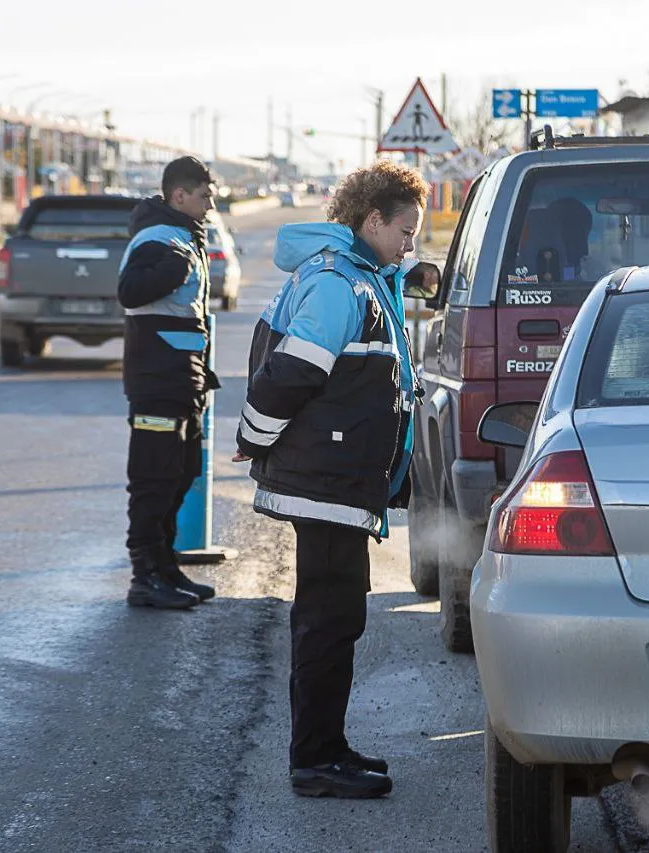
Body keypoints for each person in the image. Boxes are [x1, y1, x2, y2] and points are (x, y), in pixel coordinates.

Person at [234, 161, 435, 799]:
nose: (410, 243)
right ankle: (315, 760)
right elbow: (291, 373)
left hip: (336, 481)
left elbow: (382, 295)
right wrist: (252, 438)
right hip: (322, 483)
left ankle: (326, 747)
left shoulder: (362, 273)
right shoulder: (335, 285)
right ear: (370, 220)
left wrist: (415, 272)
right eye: (405, 231)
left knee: (336, 618)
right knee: (327, 621)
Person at [117, 156, 221, 610]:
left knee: (181, 473)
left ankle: (165, 565)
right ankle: (145, 577)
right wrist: (169, 270)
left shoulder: (182, 235)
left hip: (183, 379)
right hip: (156, 379)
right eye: (204, 195)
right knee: (153, 478)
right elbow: (130, 291)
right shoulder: (159, 239)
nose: (211, 203)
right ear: (179, 195)